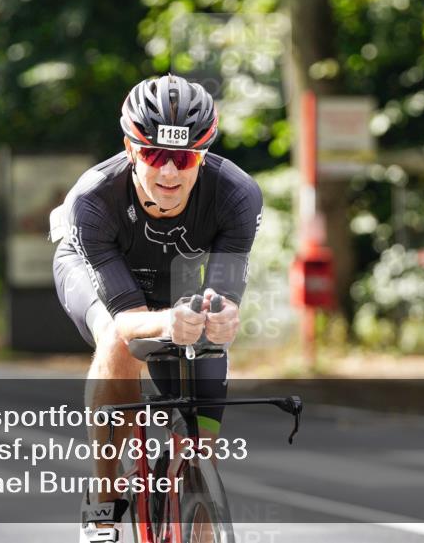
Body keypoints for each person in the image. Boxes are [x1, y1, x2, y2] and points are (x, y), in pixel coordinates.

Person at [51, 74, 263, 542]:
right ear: (130, 150)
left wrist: (223, 318)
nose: (169, 173)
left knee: (199, 447)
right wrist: (167, 321)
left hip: (176, 276)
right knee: (119, 340)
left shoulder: (236, 195)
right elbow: (128, 318)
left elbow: (226, 297)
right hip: (104, 273)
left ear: (201, 156)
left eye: (184, 158)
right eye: (153, 155)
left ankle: (192, 502)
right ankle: (104, 501)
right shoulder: (93, 199)